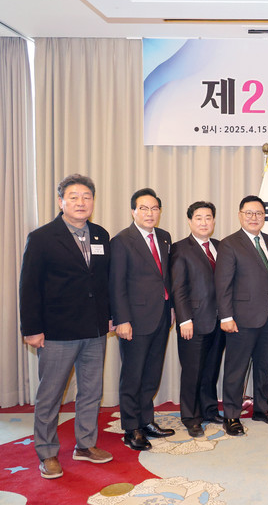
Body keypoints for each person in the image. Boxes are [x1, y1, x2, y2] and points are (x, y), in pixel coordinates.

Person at [19, 174, 113, 479]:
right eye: (74, 197)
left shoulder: (100, 235)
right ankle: (46, 452)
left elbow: (104, 281)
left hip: (94, 330)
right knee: (50, 395)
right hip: (57, 331)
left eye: (87, 197)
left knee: (91, 392)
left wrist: (109, 314)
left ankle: (85, 445)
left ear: (93, 201)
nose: (81, 202)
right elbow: (29, 286)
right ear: (61, 202)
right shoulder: (42, 237)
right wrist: (31, 329)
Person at [110, 188, 175, 451]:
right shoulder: (122, 241)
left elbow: (166, 277)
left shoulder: (165, 237)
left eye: (154, 208)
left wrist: (171, 307)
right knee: (132, 375)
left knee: (151, 374)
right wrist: (122, 319)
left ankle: (146, 420)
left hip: (161, 316)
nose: (150, 213)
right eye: (144, 208)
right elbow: (116, 284)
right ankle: (131, 428)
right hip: (134, 321)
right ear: (133, 211)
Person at [215, 195, 268, 436]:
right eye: (249, 213)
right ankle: (231, 415)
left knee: (263, 367)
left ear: (264, 216)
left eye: (259, 213)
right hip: (241, 319)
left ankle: (261, 409)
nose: (254, 218)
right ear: (240, 215)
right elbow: (223, 284)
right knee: (237, 369)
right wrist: (226, 317)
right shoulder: (229, 244)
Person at [170, 201, 225, 438]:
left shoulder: (220, 246)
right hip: (193, 322)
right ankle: (190, 417)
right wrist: (184, 320)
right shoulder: (180, 248)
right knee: (192, 371)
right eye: (199, 218)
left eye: (208, 218)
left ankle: (209, 409)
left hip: (219, 321)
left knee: (211, 369)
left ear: (214, 221)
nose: (204, 222)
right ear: (190, 221)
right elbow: (178, 288)